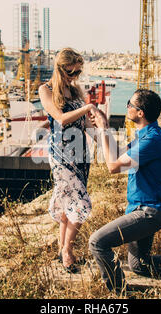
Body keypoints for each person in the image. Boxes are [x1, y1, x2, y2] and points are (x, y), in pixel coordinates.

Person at [88, 89, 161, 293]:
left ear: (140, 113)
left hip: (148, 212)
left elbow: (113, 166)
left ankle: (121, 294)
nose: (127, 107)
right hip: (142, 209)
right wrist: (100, 129)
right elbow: (117, 155)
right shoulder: (144, 136)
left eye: (130, 104)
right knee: (139, 265)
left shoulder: (151, 140)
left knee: (97, 242)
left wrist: (105, 129)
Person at [39, 48, 98, 273]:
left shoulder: (75, 90)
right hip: (61, 154)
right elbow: (61, 119)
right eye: (71, 73)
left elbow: (85, 123)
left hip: (81, 152)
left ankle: (61, 246)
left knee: (68, 201)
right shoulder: (46, 89)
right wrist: (88, 107)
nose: (74, 77)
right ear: (60, 68)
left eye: (78, 73)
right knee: (81, 203)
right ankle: (68, 252)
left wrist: (98, 124)